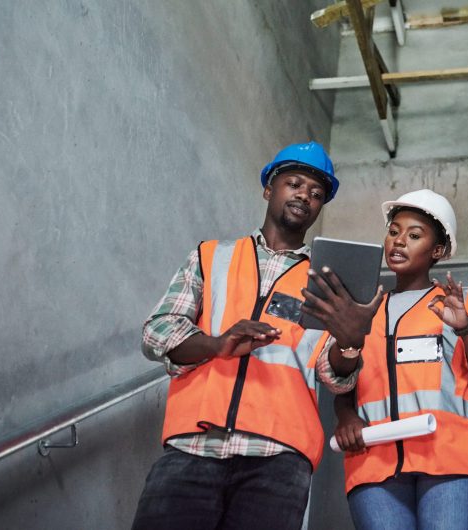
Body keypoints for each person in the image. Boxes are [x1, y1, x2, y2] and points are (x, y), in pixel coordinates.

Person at [131, 141, 383, 530]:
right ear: (269, 189)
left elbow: (335, 375)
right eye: (294, 184)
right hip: (192, 448)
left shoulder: (327, 281)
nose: (305, 196)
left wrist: (350, 344)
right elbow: (157, 332)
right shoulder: (211, 256)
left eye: (316, 194)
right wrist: (216, 345)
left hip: (278, 460)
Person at [302, 189, 468, 530]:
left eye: (414, 235)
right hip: (374, 464)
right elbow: (346, 382)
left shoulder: (466, 301)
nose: (398, 242)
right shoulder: (363, 308)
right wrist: (346, 416)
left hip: (453, 461)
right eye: (393, 231)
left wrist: (466, 328)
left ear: (437, 250)